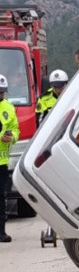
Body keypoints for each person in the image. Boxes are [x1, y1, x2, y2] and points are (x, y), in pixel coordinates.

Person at [0, 75, 20, 242]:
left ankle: (1, 232)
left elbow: (15, 129)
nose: (1, 95)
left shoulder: (9, 107)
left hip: (2, 161)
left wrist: (11, 137)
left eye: (2, 92)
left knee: (1, 198)